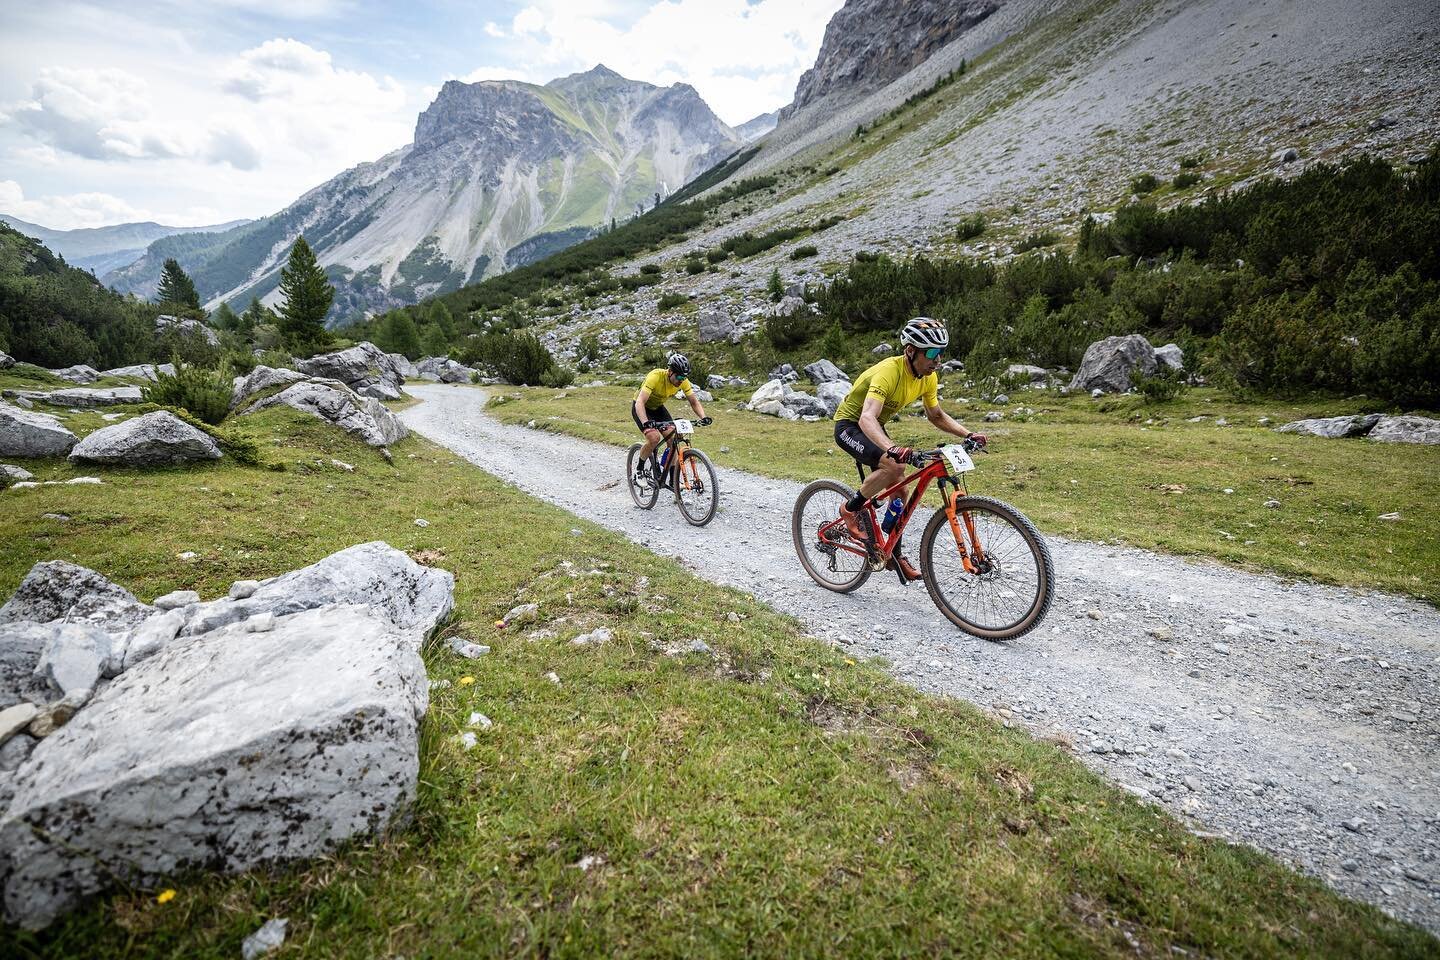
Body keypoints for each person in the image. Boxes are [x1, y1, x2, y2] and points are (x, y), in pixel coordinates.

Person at [831, 317, 985, 581]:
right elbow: (867, 417)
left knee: (901, 489)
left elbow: (936, 415)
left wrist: (968, 434)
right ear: (910, 351)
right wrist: (892, 448)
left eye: (941, 353)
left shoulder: (928, 377)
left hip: (873, 426)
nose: (938, 361)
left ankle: (893, 554)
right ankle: (850, 510)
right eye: (932, 353)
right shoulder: (888, 372)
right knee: (894, 465)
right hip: (850, 425)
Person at [632, 352, 711, 478]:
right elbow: (640, 402)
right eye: (679, 378)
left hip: (658, 408)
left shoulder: (683, 381)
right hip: (642, 407)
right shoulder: (655, 376)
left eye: (683, 378)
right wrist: (645, 421)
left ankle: (671, 475)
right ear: (670, 372)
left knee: (674, 437)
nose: (681, 381)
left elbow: (694, 402)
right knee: (654, 438)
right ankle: (639, 470)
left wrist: (703, 417)